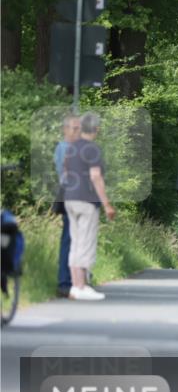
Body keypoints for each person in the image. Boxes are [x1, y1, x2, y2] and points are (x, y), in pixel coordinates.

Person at [63, 112, 115, 301]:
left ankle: (75, 286)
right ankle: (81, 286)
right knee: (86, 243)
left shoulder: (70, 148)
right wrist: (106, 203)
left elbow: (66, 171)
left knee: (75, 242)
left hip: (70, 199)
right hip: (86, 200)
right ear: (96, 129)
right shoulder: (92, 149)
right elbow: (95, 176)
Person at [54, 113, 80, 297]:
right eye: (73, 128)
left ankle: (73, 280)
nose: (77, 132)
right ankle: (65, 282)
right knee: (69, 239)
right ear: (65, 129)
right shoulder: (64, 148)